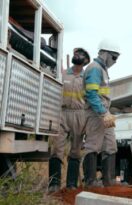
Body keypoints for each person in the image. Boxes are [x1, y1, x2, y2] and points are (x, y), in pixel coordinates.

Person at [48, 47, 90, 192]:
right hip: (62, 113)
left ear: (86, 61)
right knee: (56, 149)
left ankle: (71, 185)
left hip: (80, 115)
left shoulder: (87, 78)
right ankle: (54, 184)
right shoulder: (63, 74)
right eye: (76, 53)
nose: (77, 55)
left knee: (76, 151)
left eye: (81, 54)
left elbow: (90, 99)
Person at [82, 39, 120, 187]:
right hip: (95, 113)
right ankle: (90, 182)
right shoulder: (95, 68)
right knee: (92, 145)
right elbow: (92, 94)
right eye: (114, 57)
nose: (115, 61)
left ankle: (108, 181)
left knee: (110, 145)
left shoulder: (103, 70)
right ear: (105, 54)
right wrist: (104, 113)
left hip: (104, 112)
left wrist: (106, 113)